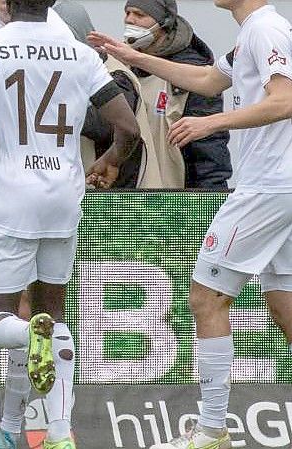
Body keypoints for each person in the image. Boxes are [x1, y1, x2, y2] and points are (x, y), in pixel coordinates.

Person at [0, 1, 140, 449]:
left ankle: (32, 333)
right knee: (55, 312)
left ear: (6, 5)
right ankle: (60, 432)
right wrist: (110, 161)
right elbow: (127, 128)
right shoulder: (78, 52)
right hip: (64, 200)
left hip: (9, 201)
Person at [89, 0, 292, 445]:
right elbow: (207, 79)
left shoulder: (267, 30)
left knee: (205, 295)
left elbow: (285, 100)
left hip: (269, 187)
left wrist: (210, 123)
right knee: (282, 304)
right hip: (281, 187)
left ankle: (212, 430)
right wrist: (134, 57)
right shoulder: (252, 32)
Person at [118, 0, 232, 188]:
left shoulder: (193, 74)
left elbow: (208, 151)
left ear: (163, 23)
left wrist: (211, 200)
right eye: (127, 13)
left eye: (140, 15)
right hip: (124, 192)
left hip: (173, 194)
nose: (130, 20)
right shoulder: (119, 66)